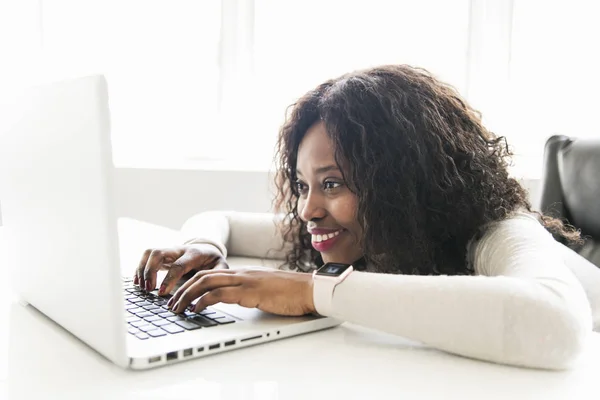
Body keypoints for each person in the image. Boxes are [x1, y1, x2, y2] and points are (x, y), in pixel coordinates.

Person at [135, 65, 600, 370]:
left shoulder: (501, 232)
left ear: (401, 182)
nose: (306, 209)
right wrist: (204, 246)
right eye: (301, 185)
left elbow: (558, 325)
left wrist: (314, 291)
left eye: (332, 183)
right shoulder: (371, 231)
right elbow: (223, 221)